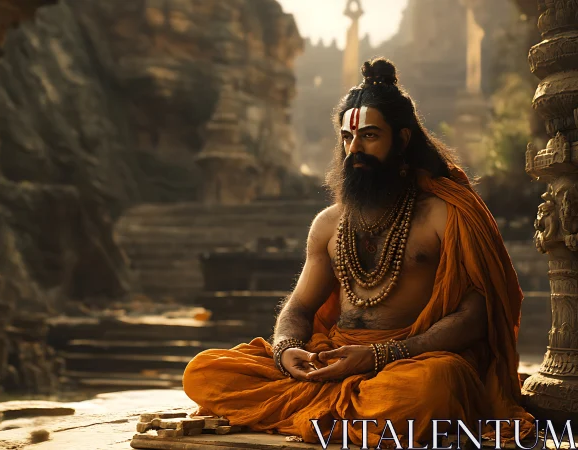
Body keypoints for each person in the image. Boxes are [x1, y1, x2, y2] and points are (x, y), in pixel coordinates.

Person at [182, 58, 535, 446]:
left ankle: (326, 413)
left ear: (402, 139)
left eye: (369, 136)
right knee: (205, 371)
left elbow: (477, 314)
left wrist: (383, 355)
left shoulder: (445, 213)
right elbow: (299, 307)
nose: (355, 149)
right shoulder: (329, 223)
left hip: (413, 361)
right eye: (348, 138)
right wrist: (286, 350)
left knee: (433, 387)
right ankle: (344, 410)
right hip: (331, 361)